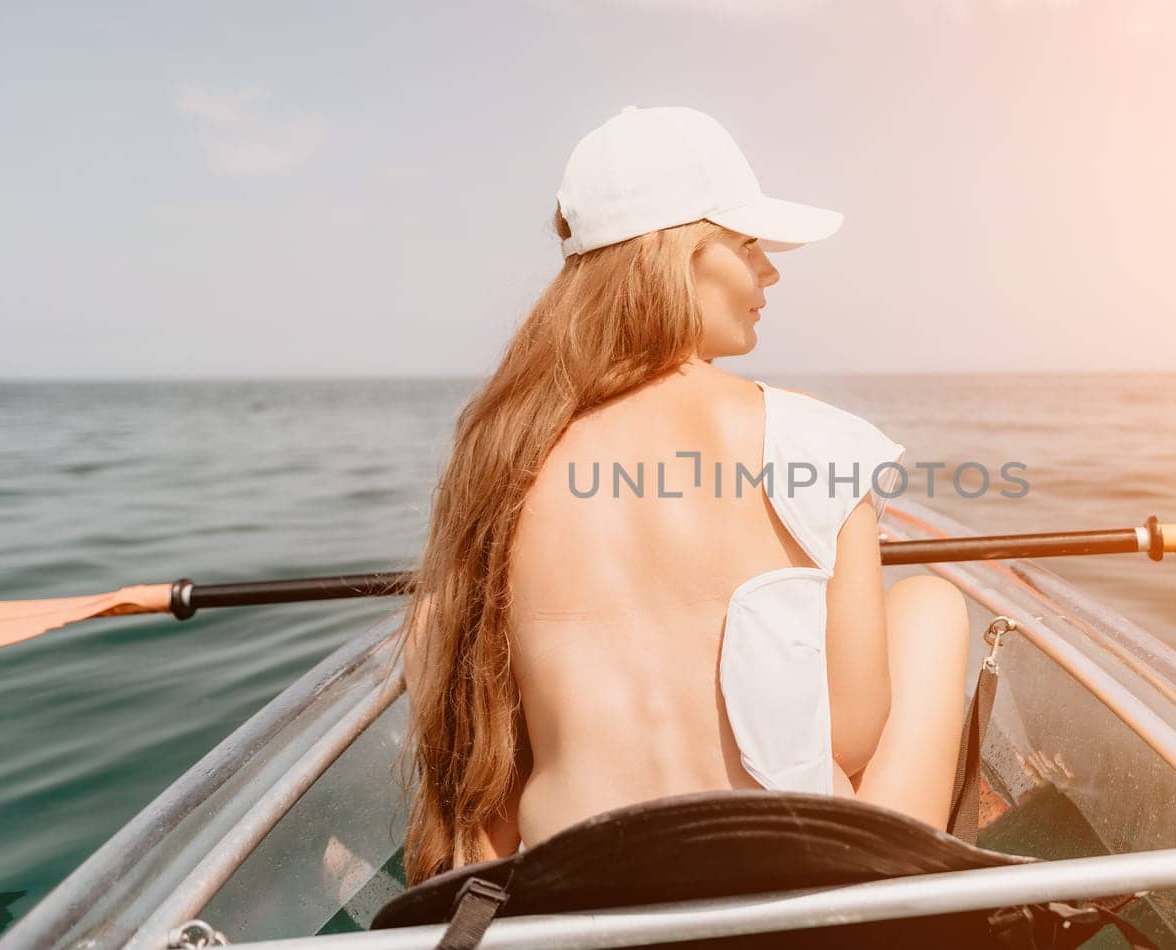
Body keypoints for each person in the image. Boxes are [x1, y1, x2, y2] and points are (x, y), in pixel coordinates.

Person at [398, 105, 970, 885]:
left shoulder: (503, 454)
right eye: (748, 245)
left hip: (579, 893)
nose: (770, 271)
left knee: (433, 616)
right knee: (930, 604)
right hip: (804, 894)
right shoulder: (816, 442)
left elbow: (485, 757)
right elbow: (855, 734)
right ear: (678, 255)